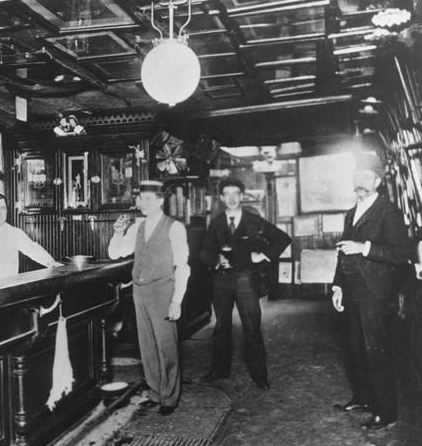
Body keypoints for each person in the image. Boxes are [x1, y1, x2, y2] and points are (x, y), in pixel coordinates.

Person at [331, 164, 411, 430]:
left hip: (375, 292)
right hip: (352, 289)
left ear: (377, 181)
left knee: (376, 351)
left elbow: (401, 254)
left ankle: (386, 412)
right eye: (356, 177)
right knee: (356, 347)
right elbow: (343, 251)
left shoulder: (388, 211)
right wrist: (337, 286)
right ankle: (364, 398)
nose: (360, 182)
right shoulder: (351, 213)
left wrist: (364, 247)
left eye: (366, 177)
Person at [200, 177, 291, 390]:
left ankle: (260, 376)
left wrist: (263, 256)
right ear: (222, 198)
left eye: (235, 194)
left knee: (252, 329)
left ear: (242, 196)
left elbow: (282, 238)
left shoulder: (253, 220)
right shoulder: (216, 223)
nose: (231, 198)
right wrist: (215, 260)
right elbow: (204, 251)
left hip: (246, 281)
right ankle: (220, 371)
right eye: (227, 195)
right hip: (221, 281)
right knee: (221, 328)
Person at [108, 180, 189, 415]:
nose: (141, 203)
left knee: (166, 346)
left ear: (160, 200)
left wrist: (177, 300)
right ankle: (155, 392)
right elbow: (115, 253)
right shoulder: (137, 227)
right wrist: (117, 232)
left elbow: (183, 266)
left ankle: (170, 398)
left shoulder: (174, 227)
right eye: (139, 198)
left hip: (163, 292)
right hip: (140, 292)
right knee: (147, 346)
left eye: (147, 199)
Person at [0, 193, 62, 281]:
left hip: (8, 292)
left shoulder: (14, 233)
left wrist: (50, 262)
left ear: (7, 210)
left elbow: (32, 248)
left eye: (2, 208)